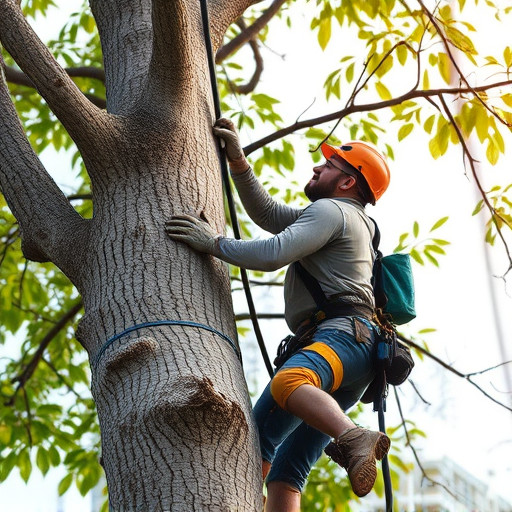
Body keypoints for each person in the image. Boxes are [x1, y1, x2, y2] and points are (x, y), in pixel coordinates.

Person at [165, 118, 391, 511]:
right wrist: (238, 161)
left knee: (289, 381)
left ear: (347, 182)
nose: (318, 168)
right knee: (277, 462)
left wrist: (212, 243)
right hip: (356, 356)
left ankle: (353, 436)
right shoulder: (347, 219)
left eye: (329, 165)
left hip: (342, 337)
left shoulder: (331, 211)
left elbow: (272, 253)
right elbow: (268, 214)